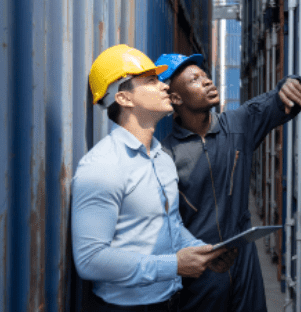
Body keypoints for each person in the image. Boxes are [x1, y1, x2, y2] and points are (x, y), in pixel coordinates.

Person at [71, 45, 235, 312]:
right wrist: (174, 265)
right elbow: (89, 260)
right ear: (124, 98)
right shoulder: (102, 167)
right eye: (150, 80)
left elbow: (170, 225)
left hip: (169, 302)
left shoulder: (161, 158)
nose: (164, 87)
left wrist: (200, 251)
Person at [154, 53, 301, 312]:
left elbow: (279, 101)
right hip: (201, 271)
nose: (207, 82)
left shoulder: (237, 124)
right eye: (194, 80)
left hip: (244, 262)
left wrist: (291, 83)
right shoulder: (166, 156)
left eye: (205, 76)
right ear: (176, 98)